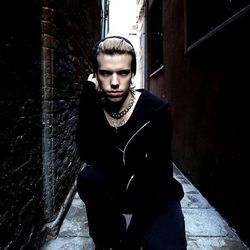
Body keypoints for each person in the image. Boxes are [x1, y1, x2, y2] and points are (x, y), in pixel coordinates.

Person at [76, 36, 187, 250]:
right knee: (88, 178)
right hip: (115, 190)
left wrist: (132, 238)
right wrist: (87, 96)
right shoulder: (95, 108)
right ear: (96, 76)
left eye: (123, 72)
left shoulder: (156, 110)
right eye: (106, 73)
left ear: (132, 74)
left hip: (153, 194)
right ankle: (110, 234)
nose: (115, 82)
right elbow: (87, 153)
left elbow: (161, 179)